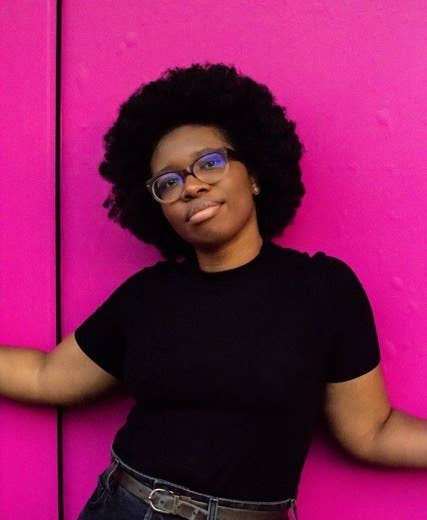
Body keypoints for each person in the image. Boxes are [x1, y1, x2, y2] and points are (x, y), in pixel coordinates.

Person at [1, 63, 426, 520]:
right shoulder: (147, 297)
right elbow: (47, 375)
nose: (191, 186)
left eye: (210, 162)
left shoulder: (324, 290)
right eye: (169, 182)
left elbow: (372, 431)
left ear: (256, 174)